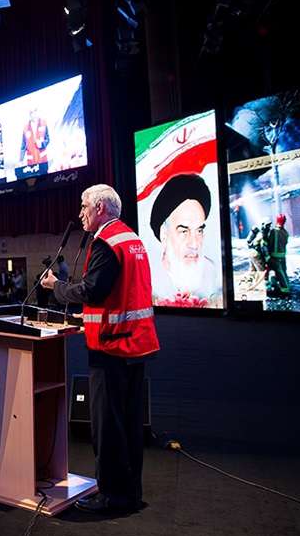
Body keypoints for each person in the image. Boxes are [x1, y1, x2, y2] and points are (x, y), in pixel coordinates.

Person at [41, 184, 159, 514]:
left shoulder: (105, 241)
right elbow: (118, 293)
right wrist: (88, 317)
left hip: (112, 348)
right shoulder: (131, 239)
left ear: (100, 209)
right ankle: (130, 493)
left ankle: (112, 498)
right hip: (135, 344)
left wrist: (57, 288)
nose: (80, 213)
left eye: (84, 207)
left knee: (108, 427)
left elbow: (93, 290)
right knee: (130, 425)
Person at [149, 174, 221, 307]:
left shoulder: (214, 276)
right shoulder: (149, 281)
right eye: (184, 231)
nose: (194, 244)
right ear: (164, 234)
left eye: (199, 230)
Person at [267, 213, 290, 296]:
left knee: (279, 273)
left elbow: (269, 243)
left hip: (274, 257)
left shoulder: (273, 232)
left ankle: (285, 290)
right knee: (283, 272)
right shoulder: (286, 232)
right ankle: (279, 285)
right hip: (283, 257)